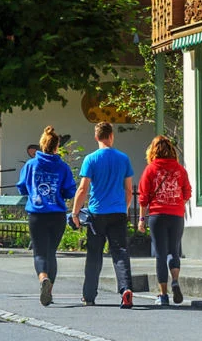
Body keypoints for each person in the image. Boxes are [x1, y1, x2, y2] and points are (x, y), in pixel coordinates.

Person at [70, 121, 135, 308]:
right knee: (120, 253)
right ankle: (126, 289)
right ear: (111, 135)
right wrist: (125, 207)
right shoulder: (123, 158)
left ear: (96, 137)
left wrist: (75, 212)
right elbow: (129, 189)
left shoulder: (91, 159)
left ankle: (89, 295)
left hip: (97, 213)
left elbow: (83, 188)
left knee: (94, 255)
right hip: (117, 212)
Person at [17, 126, 77, 307]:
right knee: (52, 253)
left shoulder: (31, 165)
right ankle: (49, 291)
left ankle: (43, 278)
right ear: (57, 146)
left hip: (37, 214)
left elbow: (21, 186)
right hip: (57, 214)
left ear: (42, 145)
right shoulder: (63, 166)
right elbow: (69, 190)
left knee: (40, 252)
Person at [138, 135, 191, 306]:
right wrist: (177, 204)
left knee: (160, 254)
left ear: (153, 151)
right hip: (176, 215)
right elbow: (187, 192)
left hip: (157, 216)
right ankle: (175, 280)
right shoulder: (180, 169)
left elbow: (143, 197)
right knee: (174, 251)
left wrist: (141, 219)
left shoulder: (150, 170)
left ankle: (163, 295)